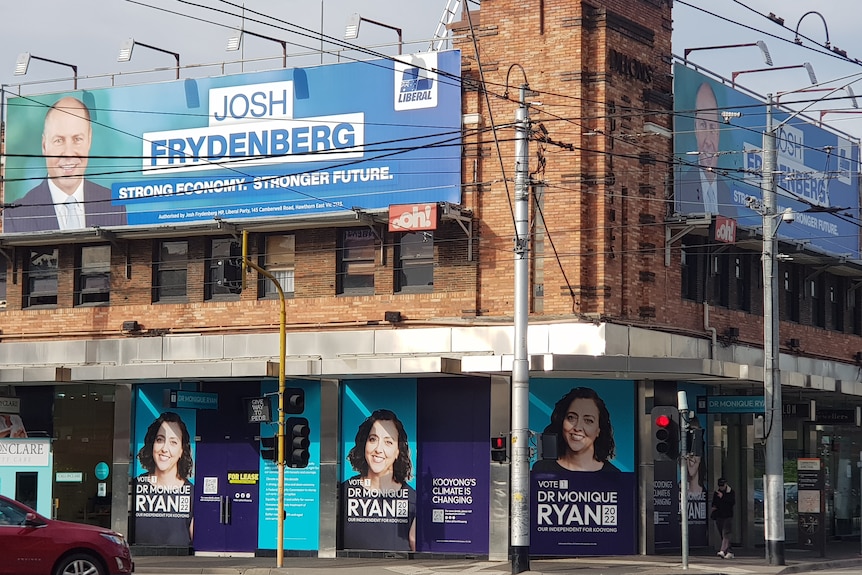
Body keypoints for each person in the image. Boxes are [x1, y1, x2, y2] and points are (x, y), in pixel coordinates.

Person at [4, 96, 126, 233]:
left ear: (89, 140)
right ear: (44, 145)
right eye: (59, 140)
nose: (68, 153)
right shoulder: (17, 215)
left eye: (77, 139)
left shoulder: (113, 205)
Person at [341, 409, 416, 551]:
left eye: (388, 442)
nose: (378, 449)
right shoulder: (344, 492)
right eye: (373, 439)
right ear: (364, 445)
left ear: (398, 451)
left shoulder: (414, 501)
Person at [676, 81, 737, 217]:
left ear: (719, 132)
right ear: (695, 128)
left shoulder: (728, 195)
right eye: (703, 125)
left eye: (713, 127)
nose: (708, 141)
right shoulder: (680, 188)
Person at [134, 411, 194, 546]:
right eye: (160, 440)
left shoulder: (192, 493)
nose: (164, 449)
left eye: (173, 442)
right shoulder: (136, 486)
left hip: (180, 562)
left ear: (181, 451)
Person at [532, 386, 620, 473]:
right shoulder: (542, 469)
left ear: (599, 430)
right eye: (571, 417)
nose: (577, 428)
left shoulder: (613, 475)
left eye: (588, 420)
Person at [711, 476, 736, 559]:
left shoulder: (731, 492)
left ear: (725, 484)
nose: (721, 487)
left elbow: (732, 502)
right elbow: (714, 503)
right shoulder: (717, 492)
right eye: (720, 486)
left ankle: (722, 550)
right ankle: (729, 551)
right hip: (719, 515)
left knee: (726, 533)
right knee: (723, 534)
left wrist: (723, 497)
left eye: (722, 485)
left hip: (728, 515)